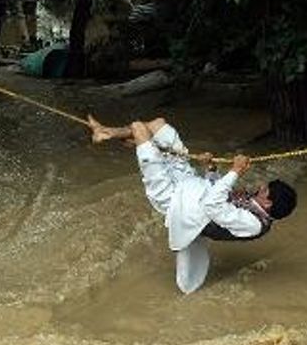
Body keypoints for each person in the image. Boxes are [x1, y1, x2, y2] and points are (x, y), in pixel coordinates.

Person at [88, 115, 296, 293]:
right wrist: (211, 169)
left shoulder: (253, 224)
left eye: (264, 190)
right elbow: (217, 193)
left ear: (268, 203)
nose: (259, 188)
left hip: (174, 201)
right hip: (189, 183)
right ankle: (106, 133)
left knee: (139, 129)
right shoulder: (252, 205)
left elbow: (212, 206)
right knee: (159, 125)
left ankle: (117, 136)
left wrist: (235, 172)